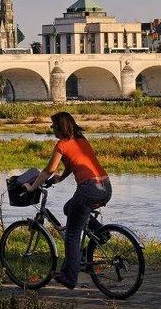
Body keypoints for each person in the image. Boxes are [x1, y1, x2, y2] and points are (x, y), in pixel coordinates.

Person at [23, 111, 111, 289]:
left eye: (53, 125)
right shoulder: (81, 140)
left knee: (72, 234)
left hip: (88, 189)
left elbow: (48, 170)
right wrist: (62, 178)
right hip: (106, 187)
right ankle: (101, 234)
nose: (51, 128)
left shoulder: (62, 144)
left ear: (60, 127)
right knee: (69, 208)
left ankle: (70, 277)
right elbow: (73, 162)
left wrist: (32, 187)